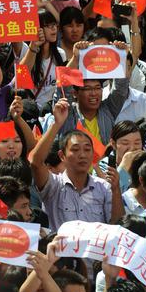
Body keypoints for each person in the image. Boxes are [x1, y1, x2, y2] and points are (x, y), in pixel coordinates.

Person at [30, 98, 122, 231]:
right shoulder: (54, 186)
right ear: (62, 156)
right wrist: (57, 124)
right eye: (75, 149)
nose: (82, 155)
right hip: (61, 251)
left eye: (87, 149)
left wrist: (116, 190)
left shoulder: (104, 187)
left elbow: (118, 226)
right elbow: (36, 162)